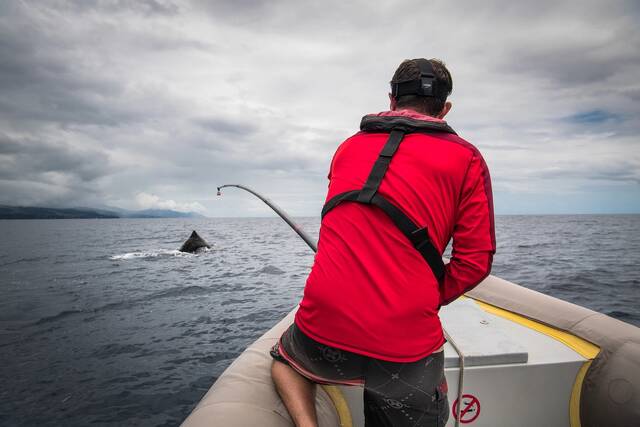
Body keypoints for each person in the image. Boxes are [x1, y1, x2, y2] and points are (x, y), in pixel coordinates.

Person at [270, 58, 496, 427]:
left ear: (391, 99)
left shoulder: (347, 147)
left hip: (322, 324)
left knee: (285, 360)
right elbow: (475, 261)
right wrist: (420, 297)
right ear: (445, 108)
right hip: (403, 344)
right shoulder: (466, 158)